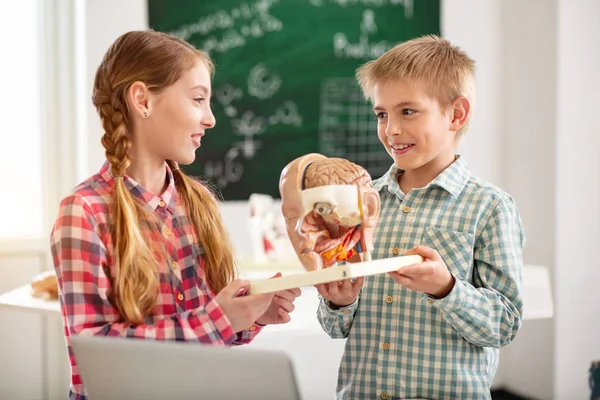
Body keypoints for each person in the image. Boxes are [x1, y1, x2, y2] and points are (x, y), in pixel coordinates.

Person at [50, 30, 300, 400]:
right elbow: (94, 359)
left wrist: (251, 315)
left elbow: (205, 328)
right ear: (142, 100)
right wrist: (222, 318)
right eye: (198, 99)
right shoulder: (84, 212)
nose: (211, 119)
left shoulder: (197, 202)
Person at [316, 35, 526, 399]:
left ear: (456, 114)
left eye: (407, 111)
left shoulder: (490, 207)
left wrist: (446, 288)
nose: (391, 129)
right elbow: (335, 327)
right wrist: (340, 301)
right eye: (382, 114)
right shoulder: (361, 204)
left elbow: (504, 324)